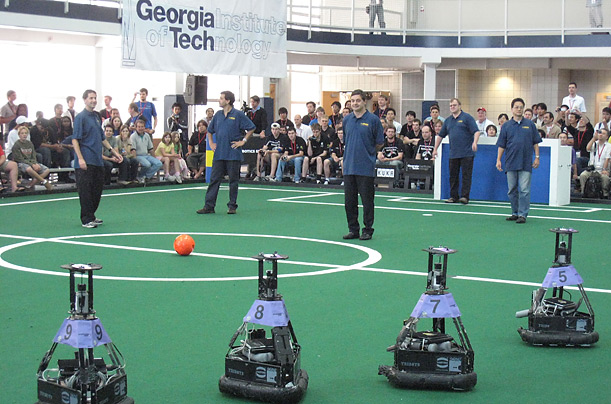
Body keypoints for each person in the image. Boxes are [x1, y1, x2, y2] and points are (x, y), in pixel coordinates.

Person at [197, 90, 255, 215]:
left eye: (221, 98)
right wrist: (211, 143)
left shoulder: (238, 114)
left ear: (228, 100)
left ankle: (232, 206)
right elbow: (210, 131)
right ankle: (209, 206)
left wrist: (243, 141)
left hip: (233, 153)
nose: (219, 100)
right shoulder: (217, 115)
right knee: (214, 179)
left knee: (233, 181)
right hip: (219, 154)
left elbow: (251, 127)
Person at [72, 90, 123, 228]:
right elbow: (75, 140)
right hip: (85, 162)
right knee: (86, 191)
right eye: (90, 98)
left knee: (96, 190)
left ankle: (92, 216)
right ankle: (86, 219)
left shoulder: (96, 116)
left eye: (95, 98)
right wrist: (80, 159)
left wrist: (113, 152)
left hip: (97, 161)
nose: (93, 100)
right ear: (84, 100)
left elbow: (102, 138)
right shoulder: (80, 117)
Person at [341, 89, 384, 241]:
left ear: (364, 101)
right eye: (352, 101)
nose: (355, 103)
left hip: (365, 167)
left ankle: (367, 230)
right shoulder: (346, 120)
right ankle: (353, 229)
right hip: (349, 167)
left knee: (367, 201)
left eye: (358, 100)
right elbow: (346, 140)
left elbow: (379, 143)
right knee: (349, 202)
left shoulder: (373, 120)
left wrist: (368, 153)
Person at [496, 98, 542, 224]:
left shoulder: (530, 124)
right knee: (511, 190)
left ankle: (523, 214)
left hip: (526, 162)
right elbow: (501, 145)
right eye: (516, 107)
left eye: (521, 107)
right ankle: (515, 212)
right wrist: (498, 160)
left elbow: (536, 142)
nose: (519, 109)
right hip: (510, 162)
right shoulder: (506, 126)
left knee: (524, 190)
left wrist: (537, 157)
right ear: (512, 109)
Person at [433, 98, 481, 204]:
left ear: (459, 106)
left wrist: (475, 142)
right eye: (451, 105)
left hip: (467, 153)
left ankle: (464, 197)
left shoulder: (467, 118)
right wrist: (435, 149)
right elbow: (440, 135)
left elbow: (476, 131)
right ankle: (453, 196)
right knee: (453, 176)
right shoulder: (448, 121)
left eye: (454, 105)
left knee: (466, 176)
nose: (452, 107)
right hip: (453, 154)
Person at [12, 126, 53, 191]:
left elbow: (33, 155)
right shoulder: (16, 145)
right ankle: (44, 181)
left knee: (47, 170)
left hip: (31, 162)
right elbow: (19, 159)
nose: (24, 135)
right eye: (22, 133)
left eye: (25, 133)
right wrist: (32, 164)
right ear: (19, 134)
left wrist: (35, 163)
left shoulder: (30, 143)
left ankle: (31, 184)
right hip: (21, 163)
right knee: (29, 169)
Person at [579, 128, 610, 197]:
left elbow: (607, 159)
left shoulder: (608, 146)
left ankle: (605, 194)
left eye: (603, 133)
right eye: (600, 133)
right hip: (592, 168)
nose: (601, 135)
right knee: (583, 175)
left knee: (605, 178)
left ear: (607, 136)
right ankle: (583, 192)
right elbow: (588, 148)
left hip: (602, 169)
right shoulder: (594, 144)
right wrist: (594, 138)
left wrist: (604, 170)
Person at [130, 118, 162, 183]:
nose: (140, 128)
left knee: (158, 163)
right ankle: (139, 176)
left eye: (142, 127)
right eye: (139, 127)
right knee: (147, 164)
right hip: (138, 156)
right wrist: (136, 160)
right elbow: (133, 150)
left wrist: (155, 158)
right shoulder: (133, 136)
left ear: (144, 127)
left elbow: (151, 149)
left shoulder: (147, 135)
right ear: (136, 127)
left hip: (146, 155)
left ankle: (146, 177)